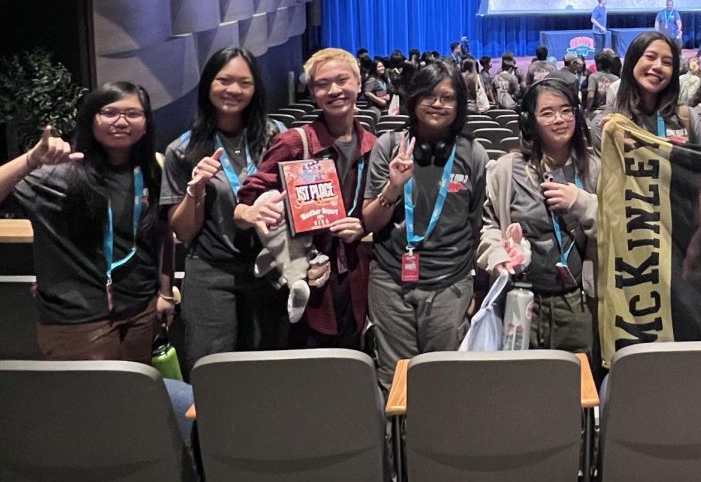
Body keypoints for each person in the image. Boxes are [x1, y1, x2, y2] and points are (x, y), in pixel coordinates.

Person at [0, 83, 171, 361]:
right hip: (78, 320)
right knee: (86, 402)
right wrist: (31, 160)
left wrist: (164, 293)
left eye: (133, 113)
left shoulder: (150, 171)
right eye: (109, 112)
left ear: (146, 124)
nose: (121, 121)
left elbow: (159, 235)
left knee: (132, 397)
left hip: (139, 311)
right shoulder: (59, 173)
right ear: (90, 118)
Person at [235, 48, 376, 349]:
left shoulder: (373, 147)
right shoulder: (293, 143)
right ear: (312, 92)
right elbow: (249, 196)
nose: (334, 90)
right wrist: (254, 211)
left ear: (359, 83)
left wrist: (362, 227)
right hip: (305, 274)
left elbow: (378, 211)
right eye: (323, 84)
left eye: (342, 80)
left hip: (353, 276)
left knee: (350, 363)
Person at [361, 61, 488, 391]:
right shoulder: (388, 146)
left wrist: (472, 287)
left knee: (443, 382)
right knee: (396, 381)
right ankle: (398, 443)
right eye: (430, 95)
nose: (438, 104)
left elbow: (476, 227)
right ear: (414, 98)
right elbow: (370, 222)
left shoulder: (473, 155)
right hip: (391, 282)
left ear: (459, 105)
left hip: (450, 284)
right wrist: (392, 187)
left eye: (448, 97)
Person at [161, 48, 286, 368]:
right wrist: (196, 190)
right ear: (207, 85)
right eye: (224, 80)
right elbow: (184, 231)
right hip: (210, 272)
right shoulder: (182, 149)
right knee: (213, 370)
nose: (234, 90)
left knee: (265, 366)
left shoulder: (277, 138)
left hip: (268, 268)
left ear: (256, 88)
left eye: (244, 82)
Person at [478, 78, 599, 354]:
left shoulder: (594, 169)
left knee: (575, 387)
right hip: (521, 298)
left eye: (566, 110)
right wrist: (497, 258)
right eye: (547, 113)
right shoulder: (506, 171)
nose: (560, 119)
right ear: (529, 122)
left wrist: (581, 203)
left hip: (578, 300)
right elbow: (490, 228)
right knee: (523, 385)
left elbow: (617, 230)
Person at [611, 31, 687, 141]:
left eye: (667, 62)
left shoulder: (686, 118)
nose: (658, 66)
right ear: (633, 61)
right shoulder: (609, 122)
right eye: (650, 57)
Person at [584, 49, 619, 114]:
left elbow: (590, 96)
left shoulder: (593, 76)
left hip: (596, 111)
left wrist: (587, 109)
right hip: (612, 112)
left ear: (599, 64)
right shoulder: (616, 78)